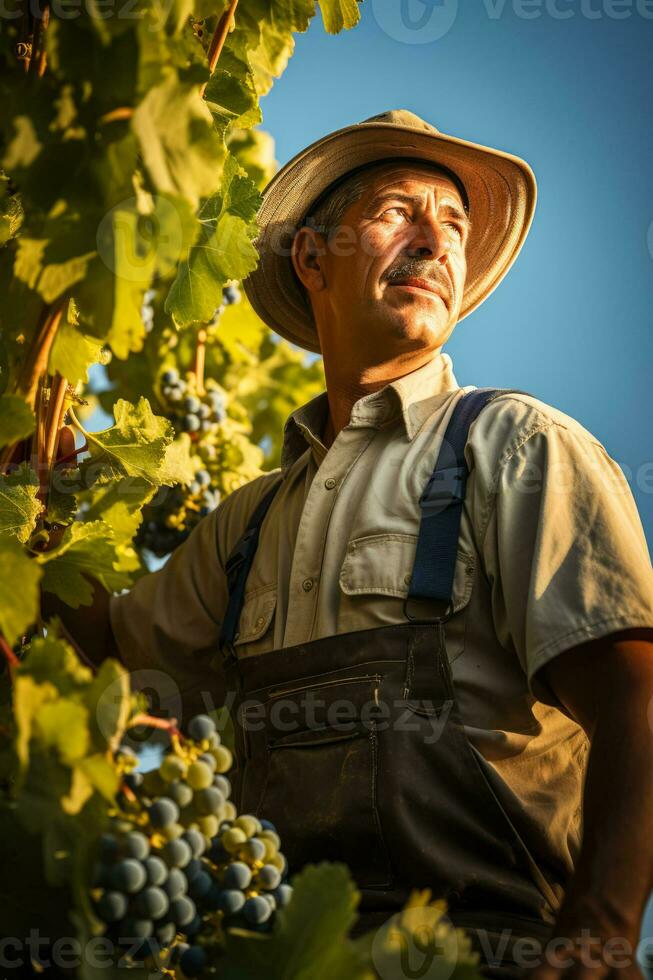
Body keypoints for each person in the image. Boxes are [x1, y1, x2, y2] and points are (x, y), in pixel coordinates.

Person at [51, 110, 653, 979]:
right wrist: (46, 500)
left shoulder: (514, 445)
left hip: (490, 954)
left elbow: (635, 700)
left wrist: (598, 932)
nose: (434, 241)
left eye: (451, 224)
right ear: (311, 256)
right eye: (397, 211)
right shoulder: (247, 522)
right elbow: (103, 653)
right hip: (281, 959)